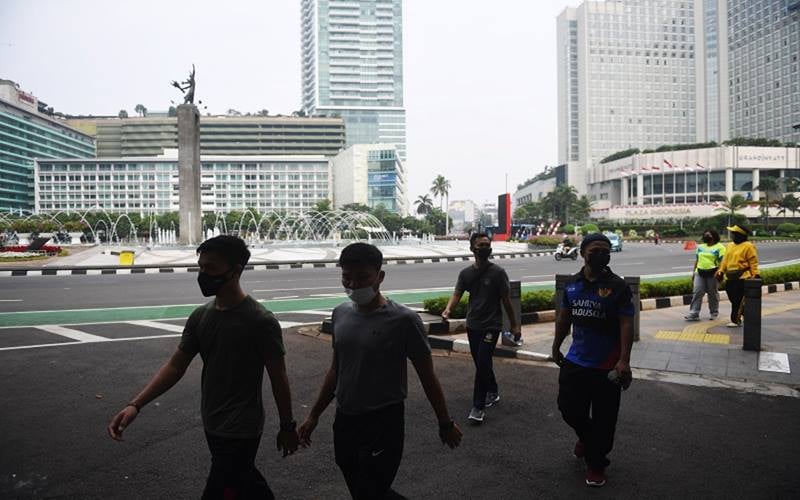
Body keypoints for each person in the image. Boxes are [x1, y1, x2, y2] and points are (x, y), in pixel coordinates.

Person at [107, 235, 298, 499]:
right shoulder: (200, 317)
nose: (203, 275)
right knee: (241, 485)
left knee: (224, 486)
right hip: (212, 422)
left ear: (236, 271)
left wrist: (288, 426)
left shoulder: (259, 321)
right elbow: (176, 365)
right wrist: (135, 404)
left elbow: (279, 377)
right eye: (202, 267)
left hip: (241, 427)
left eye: (211, 268)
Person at [298, 242, 462, 499]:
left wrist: (445, 422)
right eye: (347, 277)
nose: (353, 285)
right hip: (345, 419)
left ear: (380, 277)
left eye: (362, 277)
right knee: (357, 482)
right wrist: (314, 415)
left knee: (371, 489)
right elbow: (336, 369)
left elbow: (427, 376)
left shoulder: (404, 320)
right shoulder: (340, 314)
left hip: (383, 421)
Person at [551, 233, 635, 488]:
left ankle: (596, 463)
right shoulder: (572, 284)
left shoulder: (618, 286)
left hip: (607, 366)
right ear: (582, 253)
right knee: (568, 407)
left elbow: (626, 323)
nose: (601, 254)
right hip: (576, 361)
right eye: (595, 249)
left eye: (605, 250)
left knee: (605, 419)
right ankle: (588, 440)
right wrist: (556, 346)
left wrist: (624, 360)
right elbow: (564, 318)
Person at [441, 232, 521, 424]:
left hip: (492, 325)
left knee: (483, 361)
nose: (485, 248)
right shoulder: (466, 273)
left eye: (487, 245)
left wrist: (515, 325)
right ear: (472, 249)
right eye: (481, 245)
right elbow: (457, 293)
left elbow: (506, 301)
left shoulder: (498, 273)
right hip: (473, 324)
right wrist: (448, 309)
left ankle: (478, 407)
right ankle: (492, 391)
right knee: (481, 362)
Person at [716, 225, 759, 327]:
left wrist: (755, 274)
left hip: (743, 277)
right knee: (733, 299)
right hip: (730, 277)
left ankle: (735, 320)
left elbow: (753, 262)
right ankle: (748, 315)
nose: (732, 236)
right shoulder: (730, 245)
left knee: (738, 300)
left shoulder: (748, 246)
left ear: (740, 235)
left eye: (734, 234)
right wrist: (721, 271)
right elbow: (725, 260)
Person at [685, 229, 726, 321]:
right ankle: (694, 313)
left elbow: (722, 262)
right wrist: (693, 273)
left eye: (709, 235)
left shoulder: (720, 247)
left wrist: (720, 273)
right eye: (705, 235)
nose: (706, 237)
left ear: (714, 236)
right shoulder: (700, 247)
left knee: (712, 294)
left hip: (713, 273)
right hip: (699, 272)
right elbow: (697, 260)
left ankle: (714, 312)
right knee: (697, 292)